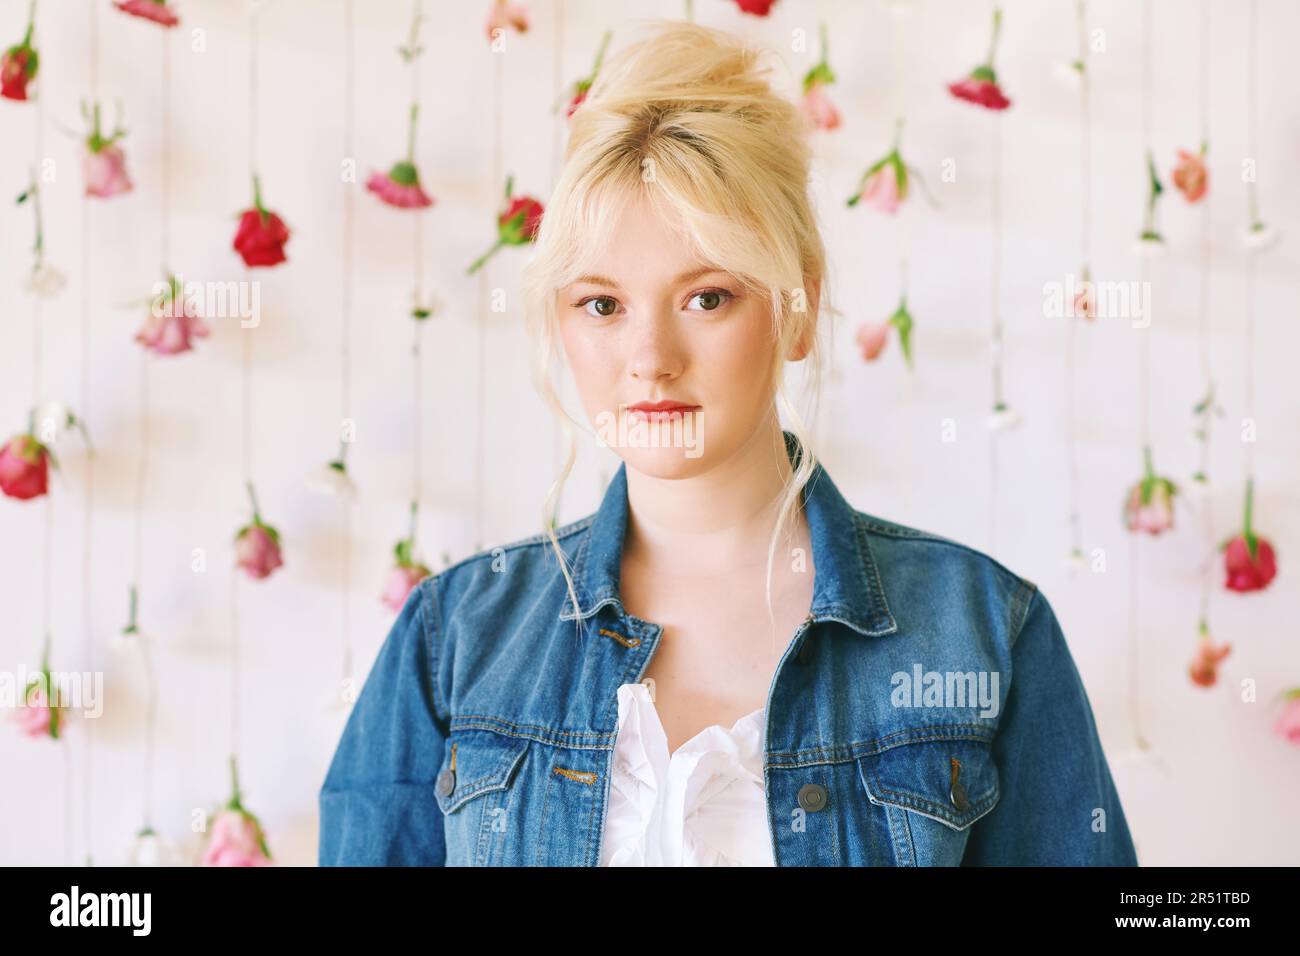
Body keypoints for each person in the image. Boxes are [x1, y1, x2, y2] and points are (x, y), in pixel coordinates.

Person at [319, 19, 1138, 867]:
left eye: (707, 297)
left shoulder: (982, 631)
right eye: (602, 305)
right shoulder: (452, 637)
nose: (650, 361)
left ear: (798, 309)